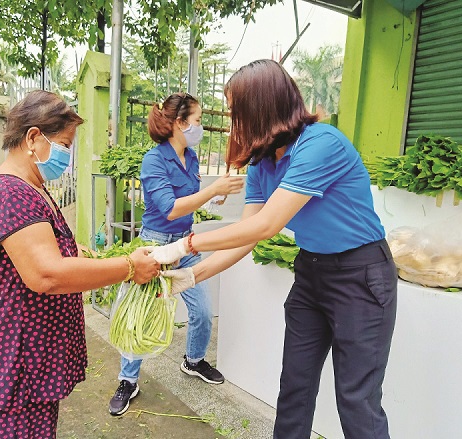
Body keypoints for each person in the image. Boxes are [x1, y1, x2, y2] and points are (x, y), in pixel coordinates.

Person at [149, 60, 397, 439]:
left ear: (261, 107)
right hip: (312, 272)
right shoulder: (264, 164)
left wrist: (185, 244)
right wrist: (189, 275)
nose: (233, 122)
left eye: (237, 112)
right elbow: (247, 234)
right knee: (295, 386)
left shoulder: (320, 144)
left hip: (360, 274)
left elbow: (268, 224)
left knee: (356, 399)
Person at [0, 90, 160, 439]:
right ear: (33, 137)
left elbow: (41, 254)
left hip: (33, 361)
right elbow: (46, 273)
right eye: (65, 144)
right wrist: (128, 267)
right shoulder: (10, 193)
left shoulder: (31, 185)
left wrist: (73, 252)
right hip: (16, 364)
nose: (68, 155)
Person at [108, 92, 245, 416]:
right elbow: (169, 209)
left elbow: (193, 199)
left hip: (188, 243)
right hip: (156, 246)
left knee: (202, 310)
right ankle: (128, 380)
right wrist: (213, 190)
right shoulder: (154, 160)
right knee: (139, 315)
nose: (200, 126)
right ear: (179, 124)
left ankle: (193, 360)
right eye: (196, 121)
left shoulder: (192, 157)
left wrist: (215, 199)